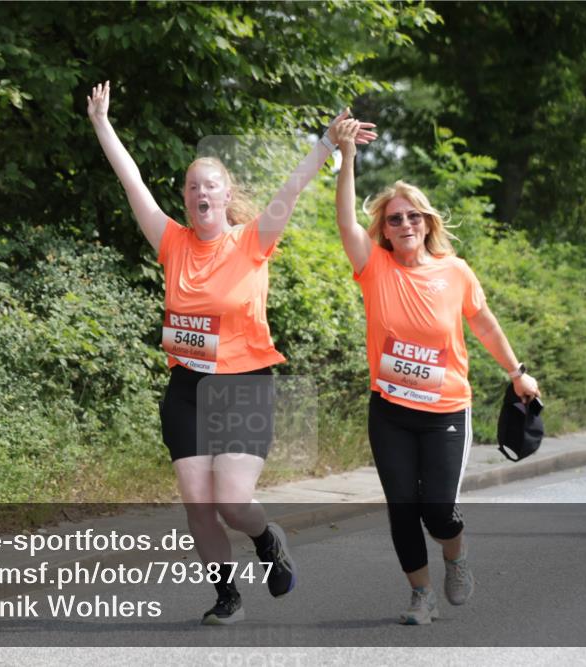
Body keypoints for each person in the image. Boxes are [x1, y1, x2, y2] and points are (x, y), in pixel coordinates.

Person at [87, 82, 375, 624]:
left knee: (232, 501)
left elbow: (293, 186)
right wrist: (102, 122)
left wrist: (327, 143)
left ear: (224, 196)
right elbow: (132, 181)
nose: (202, 193)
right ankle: (228, 597)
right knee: (198, 502)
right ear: (186, 198)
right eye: (193, 186)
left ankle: (267, 539)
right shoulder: (171, 242)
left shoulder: (252, 240)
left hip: (244, 384)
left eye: (211, 185)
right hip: (187, 388)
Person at [331, 118, 540, 625]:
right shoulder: (374, 267)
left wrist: (517, 372)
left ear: (426, 223)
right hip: (390, 410)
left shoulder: (455, 271)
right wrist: (347, 157)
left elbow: (484, 324)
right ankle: (420, 595)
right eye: (395, 219)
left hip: (446, 409)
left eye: (413, 216)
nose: (405, 224)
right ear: (384, 229)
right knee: (403, 506)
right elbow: (344, 220)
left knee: (439, 509)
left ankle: (456, 553)